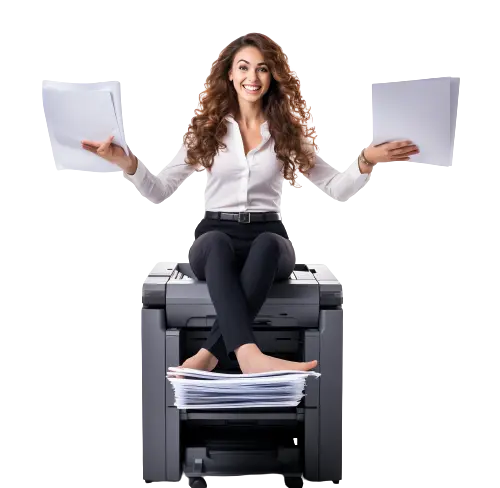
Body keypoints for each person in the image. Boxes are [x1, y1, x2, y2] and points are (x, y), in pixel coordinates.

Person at [82, 33, 419, 374]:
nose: (252, 77)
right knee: (213, 241)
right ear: (230, 74)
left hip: (268, 236)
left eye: (262, 69)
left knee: (270, 243)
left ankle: (210, 354)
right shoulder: (206, 132)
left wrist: (366, 160)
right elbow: (159, 190)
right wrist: (126, 163)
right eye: (243, 68)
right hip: (214, 236)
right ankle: (249, 356)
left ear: (272, 77)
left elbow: (332, 187)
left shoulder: (287, 134)